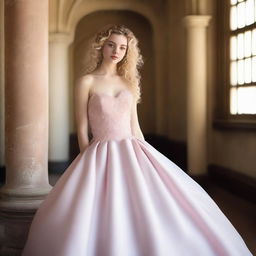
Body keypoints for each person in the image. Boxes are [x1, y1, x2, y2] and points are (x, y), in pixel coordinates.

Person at [22, 24, 252, 256]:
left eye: (122, 47)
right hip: (99, 150)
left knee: (150, 200)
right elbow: (82, 128)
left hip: (131, 147)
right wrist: (85, 161)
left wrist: (146, 156)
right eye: (111, 44)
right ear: (102, 45)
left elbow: (135, 126)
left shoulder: (128, 83)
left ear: (127, 52)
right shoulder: (86, 82)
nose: (116, 51)